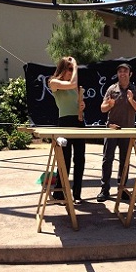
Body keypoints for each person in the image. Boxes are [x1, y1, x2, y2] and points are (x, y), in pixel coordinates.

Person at [97, 63, 136, 202]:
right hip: (111, 130)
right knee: (107, 160)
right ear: (117, 74)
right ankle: (104, 190)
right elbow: (102, 108)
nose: (122, 74)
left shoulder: (135, 90)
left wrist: (131, 100)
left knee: (125, 161)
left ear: (130, 74)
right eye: (120, 71)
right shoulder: (112, 89)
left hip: (127, 131)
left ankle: (122, 189)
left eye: (125, 71)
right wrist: (109, 104)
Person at [48, 56, 85, 205]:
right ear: (62, 69)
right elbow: (71, 84)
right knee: (65, 159)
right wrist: (76, 65)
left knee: (80, 159)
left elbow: (76, 103)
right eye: (69, 69)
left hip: (78, 121)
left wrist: (82, 106)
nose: (71, 71)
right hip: (64, 121)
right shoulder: (54, 82)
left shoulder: (74, 86)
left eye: (72, 69)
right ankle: (61, 192)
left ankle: (77, 194)